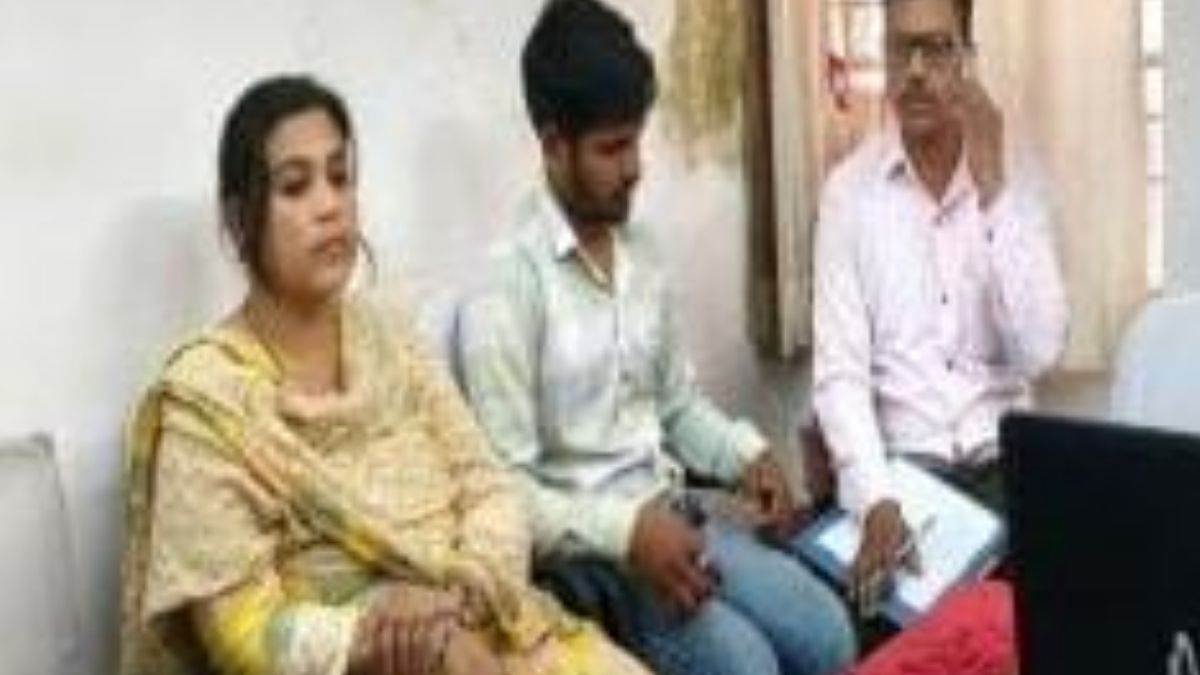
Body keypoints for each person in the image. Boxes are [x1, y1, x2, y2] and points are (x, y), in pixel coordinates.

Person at [118, 74, 650, 675]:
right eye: (295, 186)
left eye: (340, 177)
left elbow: (491, 487)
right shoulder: (208, 402)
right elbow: (242, 630)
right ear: (241, 220)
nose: (329, 205)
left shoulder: (391, 341)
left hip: (491, 627)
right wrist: (384, 633)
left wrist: (456, 604)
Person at [458, 2, 856, 675]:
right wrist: (627, 532)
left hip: (678, 515)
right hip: (597, 561)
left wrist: (745, 455)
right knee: (748, 667)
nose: (635, 168)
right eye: (612, 148)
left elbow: (675, 405)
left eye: (637, 141)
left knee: (829, 633)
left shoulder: (640, 250)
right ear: (553, 145)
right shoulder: (504, 288)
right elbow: (506, 494)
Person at [811, 0, 1068, 615]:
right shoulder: (848, 194)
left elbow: (1041, 350)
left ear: (968, 61)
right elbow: (840, 374)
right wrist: (875, 500)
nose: (917, 71)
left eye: (937, 48)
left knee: (1055, 618)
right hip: (904, 478)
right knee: (886, 627)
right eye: (902, 49)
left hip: (1005, 467)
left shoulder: (1017, 175)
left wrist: (994, 190)